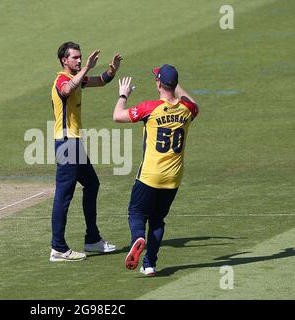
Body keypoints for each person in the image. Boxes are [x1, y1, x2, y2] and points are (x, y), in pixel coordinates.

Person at [112, 64, 199, 275]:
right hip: (173, 178)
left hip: (149, 176)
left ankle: (138, 238)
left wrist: (123, 95)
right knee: (158, 220)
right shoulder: (188, 110)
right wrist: (176, 87)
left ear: (159, 83)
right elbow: (193, 103)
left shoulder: (150, 108)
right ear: (175, 85)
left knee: (136, 212)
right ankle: (149, 264)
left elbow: (117, 115)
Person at [49, 42, 122, 262]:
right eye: (75, 58)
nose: (79, 61)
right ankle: (58, 248)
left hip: (74, 143)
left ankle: (92, 239)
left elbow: (100, 82)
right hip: (66, 144)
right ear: (64, 60)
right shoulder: (61, 79)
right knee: (64, 195)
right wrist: (86, 68)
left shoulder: (77, 78)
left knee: (92, 184)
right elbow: (66, 89)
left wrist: (111, 71)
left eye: (81, 58)